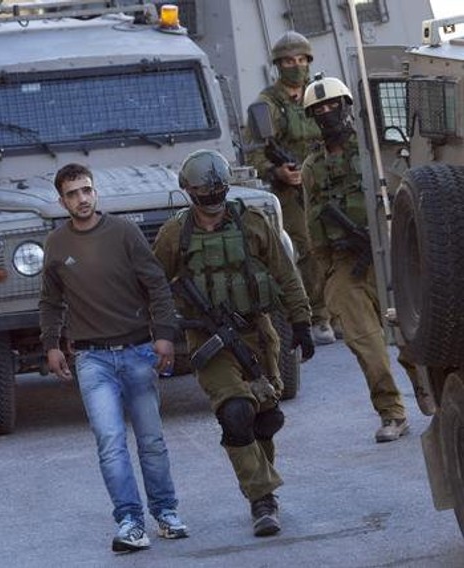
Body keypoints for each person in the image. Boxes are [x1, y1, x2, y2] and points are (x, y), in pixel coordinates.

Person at [153, 149, 314, 537]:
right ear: (188, 191)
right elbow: (155, 286)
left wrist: (302, 321)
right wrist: (162, 335)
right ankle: (262, 498)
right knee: (236, 413)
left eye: (217, 191)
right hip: (207, 339)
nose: (211, 199)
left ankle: (262, 483)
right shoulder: (174, 234)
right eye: (203, 192)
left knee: (266, 418)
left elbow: (285, 274)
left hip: (256, 333)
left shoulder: (253, 223)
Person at [39, 163, 187, 553]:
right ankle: (130, 521)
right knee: (110, 442)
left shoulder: (124, 232)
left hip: (138, 351)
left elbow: (156, 284)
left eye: (86, 190)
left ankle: (166, 513)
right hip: (92, 360)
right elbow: (50, 300)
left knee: (151, 440)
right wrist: (51, 344)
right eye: (72, 194)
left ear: (95, 192)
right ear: (62, 201)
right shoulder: (57, 244)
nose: (82, 199)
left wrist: (165, 335)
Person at [301, 76, 409, 443]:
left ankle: (432, 393)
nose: (327, 113)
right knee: (366, 344)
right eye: (319, 110)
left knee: (411, 335)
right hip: (347, 262)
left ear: (347, 106)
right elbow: (312, 225)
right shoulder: (313, 166)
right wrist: (327, 277)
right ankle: (391, 411)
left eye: (333, 105)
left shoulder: (374, 151)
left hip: (391, 252)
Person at [245, 31, 335, 346]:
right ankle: (318, 316)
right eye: (288, 62)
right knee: (307, 248)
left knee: (339, 242)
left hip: (327, 181)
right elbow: (254, 152)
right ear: (278, 65)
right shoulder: (267, 104)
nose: (296, 66)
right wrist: (277, 172)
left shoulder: (320, 93)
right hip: (291, 192)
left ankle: (341, 309)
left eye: (300, 60)